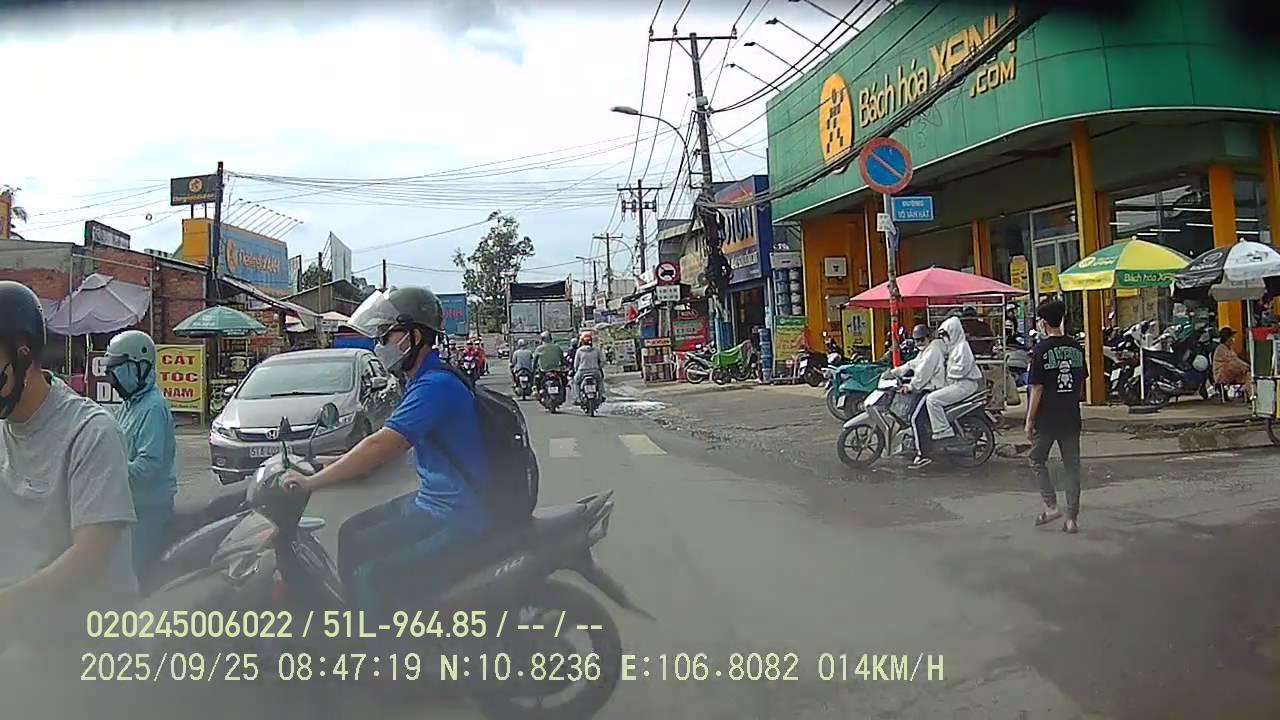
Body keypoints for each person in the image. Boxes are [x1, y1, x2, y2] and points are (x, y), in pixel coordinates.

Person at [284, 287, 489, 616]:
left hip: (456, 513)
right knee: (351, 534)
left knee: (370, 574)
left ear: (414, 337)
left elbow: (382, 444)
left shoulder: (435, 386)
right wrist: (331, 462)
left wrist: (311, 483)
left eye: (387, 335)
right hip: (435, 499)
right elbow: (395, 447)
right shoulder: (422, 380)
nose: (380, 344)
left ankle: (380, 643)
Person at [0, 281, 138, 711]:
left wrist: (8, 607)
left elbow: (90, 557)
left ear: (23, 353)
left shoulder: (90, 433)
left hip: (87, 633)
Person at [104, 329, 177, 576]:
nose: (112, 380)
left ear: (140, 366)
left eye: (118, 370)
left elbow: (148, 468)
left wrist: (108, 469)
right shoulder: (129, 405)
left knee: (134, 575)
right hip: (129, 507)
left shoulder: (153, 407)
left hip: (149, 510)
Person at [1025, 298, 1088, 534]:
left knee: (1036, 459)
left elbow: (1037, 388)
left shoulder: (1041, 350)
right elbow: (1081, 381)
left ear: (1043, 323)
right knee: (1072, 467)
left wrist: (1029, 420)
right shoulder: (1076, 347)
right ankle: (1072, 519)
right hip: (1071, 416)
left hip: (1047, 418)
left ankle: (1051, 506)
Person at [915, 316, 983, 469]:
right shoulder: (953, 348)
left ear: (954, 332)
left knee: (932, 400)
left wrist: (948, 371)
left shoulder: (962, 348)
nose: (945, 338)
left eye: (946, 334)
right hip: (957, 384)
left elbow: (961, 370)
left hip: (964, 385)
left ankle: (942, 431)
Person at [886, 324, 947, 466]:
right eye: (916, 340)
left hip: (932, 390)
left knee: (915, 418)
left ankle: (924, 454)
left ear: (928, 338)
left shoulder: (933, 351)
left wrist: (910, 386)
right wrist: (895, 372)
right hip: (926, 388)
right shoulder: (926, 350)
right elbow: (913, 364)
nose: (919, 342)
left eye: (921, 339)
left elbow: (923, 374)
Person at [1212, 327, 1253, 398]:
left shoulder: (1230, 349)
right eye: (1232, 337)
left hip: (1233, 374)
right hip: (1222, 375)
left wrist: (1246, 367)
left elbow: (1237, 361)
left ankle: (1248, 393)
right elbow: (1234, 361)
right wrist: (1246, 366)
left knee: (1249, 375)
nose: (1233, 339)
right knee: (1233, 365)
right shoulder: (1221, 349)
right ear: (1227, 338)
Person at [572, 331, 605, 402]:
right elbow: (603, 361)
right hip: (595, 371)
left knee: (576, 382)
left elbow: (576, 364)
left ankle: (578, 398)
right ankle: (601, 395)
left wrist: (576, 370)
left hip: (582, 371)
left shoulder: (579, 351)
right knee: (600, 381)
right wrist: (598, 367)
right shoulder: (596, 350)